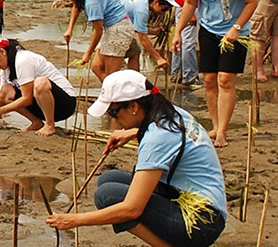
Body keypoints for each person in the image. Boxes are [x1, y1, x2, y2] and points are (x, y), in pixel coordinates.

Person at [46, 69, 226, 247]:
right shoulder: (170, 112)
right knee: (109, 178)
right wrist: (134, 132)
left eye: (113, 112)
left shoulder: (158, 137)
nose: (114, 121)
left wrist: (74, 220)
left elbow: (132, 209)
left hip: (202, 222)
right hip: (194, 199)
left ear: (133, 107)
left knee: (107, 196)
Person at [170, 0, 257, 148]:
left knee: (225, 80)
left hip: (234, 31)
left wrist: (236, 28)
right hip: (208, 28)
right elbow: (190, 3)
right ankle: (215, 125)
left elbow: (251, 2)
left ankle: (223, 132)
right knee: (209, 80)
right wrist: (178, 31)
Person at [0, 32, 77, 136]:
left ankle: (50, 125)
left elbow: (27, 99)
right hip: (42, 104)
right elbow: (3, 98)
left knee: (40, 82)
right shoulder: (5, 69)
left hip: (65, 104)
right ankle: (36, 122)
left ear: (2, 52)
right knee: (6, 90)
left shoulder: (23, 60)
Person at [57, 0, 135, 80]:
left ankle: (117, 94)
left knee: (111, 77)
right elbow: (77, 4)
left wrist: (88, 53)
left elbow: (98, 31)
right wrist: (70, 29)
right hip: (112, 27)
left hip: (118, 29)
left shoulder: (92, 0)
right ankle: (112, 92)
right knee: (96, 67)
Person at [163, 0, 200, 85]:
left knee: (181, 40)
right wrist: (190, 13)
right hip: (186, 6)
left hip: (179, 5)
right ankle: (189, 77)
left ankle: (176, 73)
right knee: (188, 42)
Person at [125, 0, 175, 72]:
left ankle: (134, 80)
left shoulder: (142, 2)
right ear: (155, 2)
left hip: (120, 26)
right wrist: (158, 58)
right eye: (164, 9)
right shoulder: (142, 10)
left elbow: (137, 28)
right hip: (114, 28)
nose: (163, 13)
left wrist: (154, 31)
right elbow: (143, 38)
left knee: (134, 51)